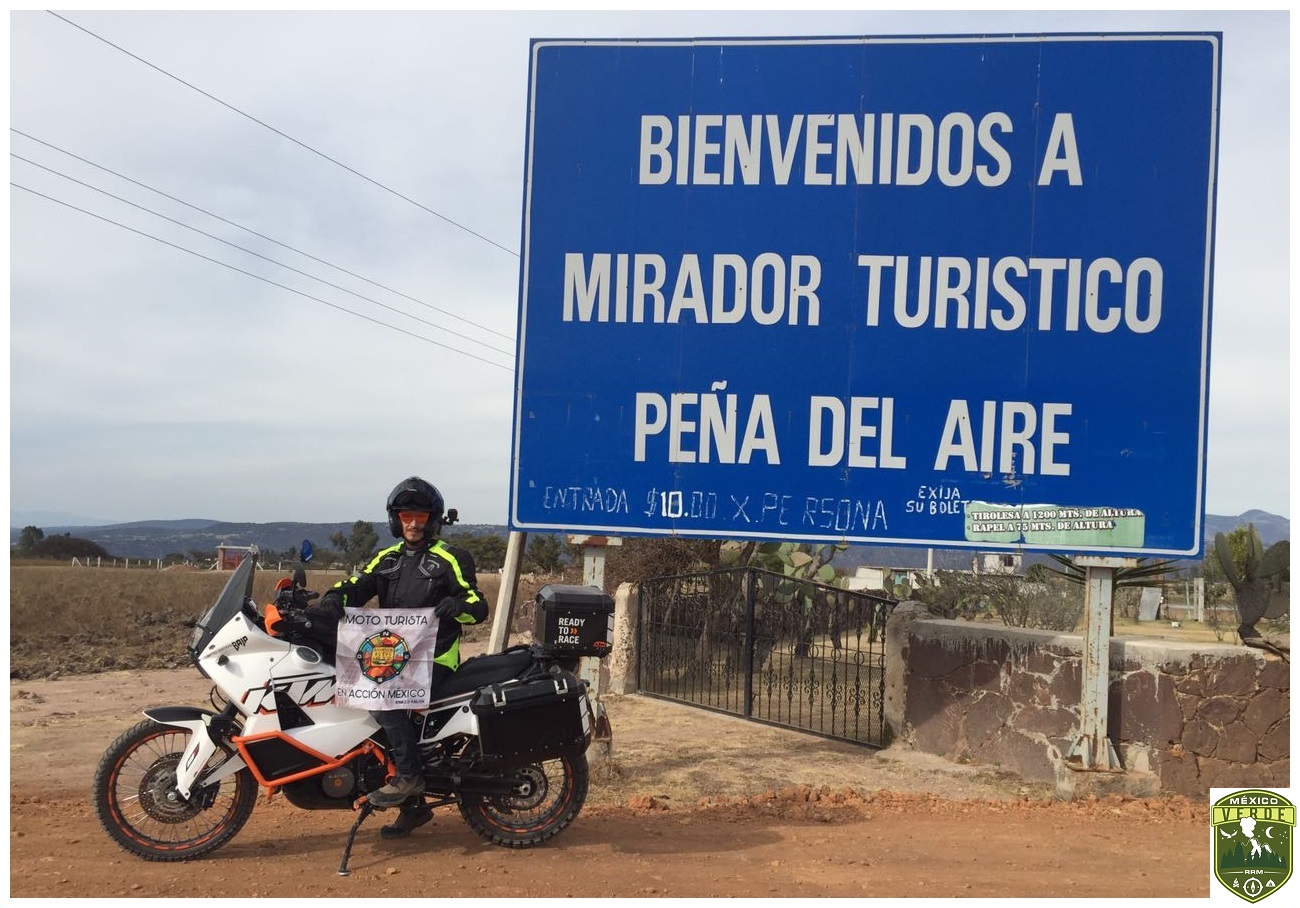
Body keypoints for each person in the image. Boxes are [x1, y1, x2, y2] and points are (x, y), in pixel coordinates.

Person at [301, 475, 488, 839]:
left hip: (435, 660)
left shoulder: (451, 558)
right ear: (396, 520)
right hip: (395, 659)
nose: (413, 523)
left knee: (380, 695)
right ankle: (414, 808)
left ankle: (408, 777)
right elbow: (355, 587)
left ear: (432, 519)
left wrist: (455, 607)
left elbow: (478, 606)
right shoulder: (386, 560)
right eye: (406, 516)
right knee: (370, 701)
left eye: (419, 515)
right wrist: (333, 599)